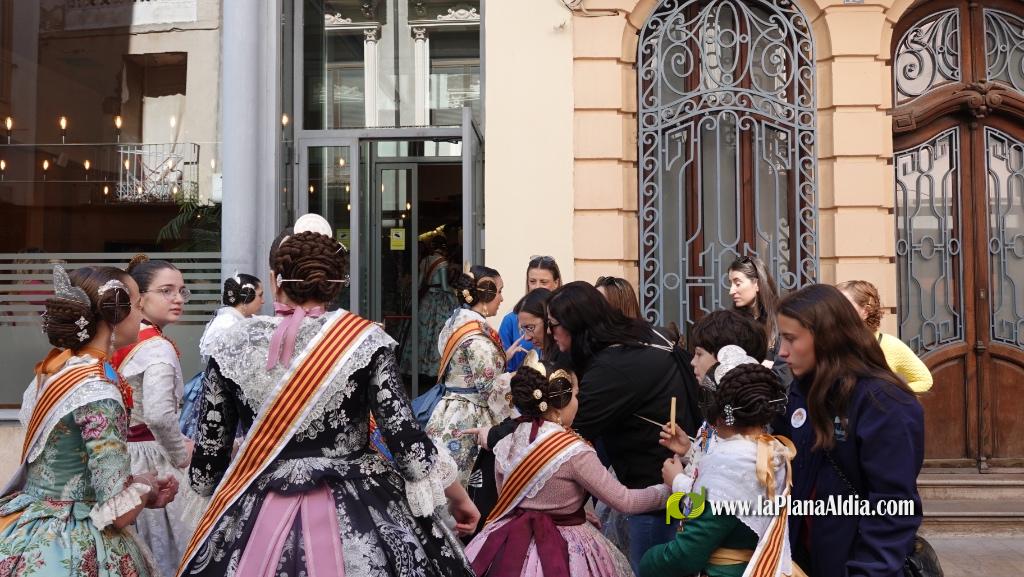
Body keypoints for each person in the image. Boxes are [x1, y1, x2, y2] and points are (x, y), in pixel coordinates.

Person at [183, 214, 477, 577]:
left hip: (257, 500)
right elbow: (405, 439)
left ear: (275, 281)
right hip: (359, 501)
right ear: (334, 285)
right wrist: (458, 498)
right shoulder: (365, 340)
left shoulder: (229, 344)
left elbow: (209, 457)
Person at [0, 265, 178, 577]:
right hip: (73, 540)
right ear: (114, 315)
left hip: (30, 523)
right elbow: (117, 511)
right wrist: (147, 487)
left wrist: (135, 483)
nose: (141, 315)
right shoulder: (98, 390)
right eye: (137, 306)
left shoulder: (56, 370)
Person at [465, 352, 670, 577]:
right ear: (559, 404)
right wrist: (669, 490)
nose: (578, 402)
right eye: (575, 396)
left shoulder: (506, 444)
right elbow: (624, 501)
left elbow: (509, 500)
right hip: (566, 546)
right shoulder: (574, 451)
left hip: (509, 545)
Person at [544, 281, 701, 572]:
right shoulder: (636, 338)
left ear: (576, 325)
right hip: (666, 475)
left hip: (655, 488)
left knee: (651, 569)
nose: (550, 333)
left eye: (553, 325)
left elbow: (565, 431)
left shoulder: (612, 367)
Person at [774, 284, 924, 577]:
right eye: (782, 338)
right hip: (802, 562)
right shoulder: (802, 391)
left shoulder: (885, 402)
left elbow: (893, 508)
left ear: (827, 337)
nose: (782, 351)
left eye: (791, 339)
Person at [641, 348, 794, 577]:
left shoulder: (732, 460)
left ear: (721, 412)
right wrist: (688, 452)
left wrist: (648, 561)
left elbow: (687, 553)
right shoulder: (768, 449)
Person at [112, 255, 195, 577]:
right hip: (153, 462)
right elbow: (159, 415)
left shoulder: (114, 340)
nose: (178, 298)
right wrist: (180, 454)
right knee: (166, 555)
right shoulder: (157, 347)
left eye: (182, 291)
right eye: (166, 291)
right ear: (139, 298)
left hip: (119, 458)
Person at [423, 265, 512, 533]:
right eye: (499, 291)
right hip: (470, 419)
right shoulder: (478, 339)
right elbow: (492, 391)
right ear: (486, 294)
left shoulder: (454, 323)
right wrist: (517, 381)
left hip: (448, 411)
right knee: (469, 490)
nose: (502, 298)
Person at [180, 273, 265, 438]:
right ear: (247, 295)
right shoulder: (227, 324)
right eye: (260, 295)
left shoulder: (235, 320)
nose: (262, 301)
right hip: (223, 390)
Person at [836, 280, 933, 393]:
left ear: (866, 311)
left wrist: (888, 394)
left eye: (844, 305)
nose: (835, 310)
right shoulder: (830, 342)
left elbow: (924, 380)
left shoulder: (889, 345)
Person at [402, 234, 459, 382]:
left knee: (421, 335)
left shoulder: (425, 261)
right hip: (439, 300)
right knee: (437, 334)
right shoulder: (443, 262)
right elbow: (445, 286)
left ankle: (418, 368)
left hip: (426, 300)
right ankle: (433, 369)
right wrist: (455, 291)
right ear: (444, 248)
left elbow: (420, 283)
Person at [499, 256, 562, 372]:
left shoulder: (564, 319)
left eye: (543, 282)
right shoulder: (511, 319)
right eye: (532, 281)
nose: (537, 287)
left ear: (556, 283)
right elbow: (503, 366)